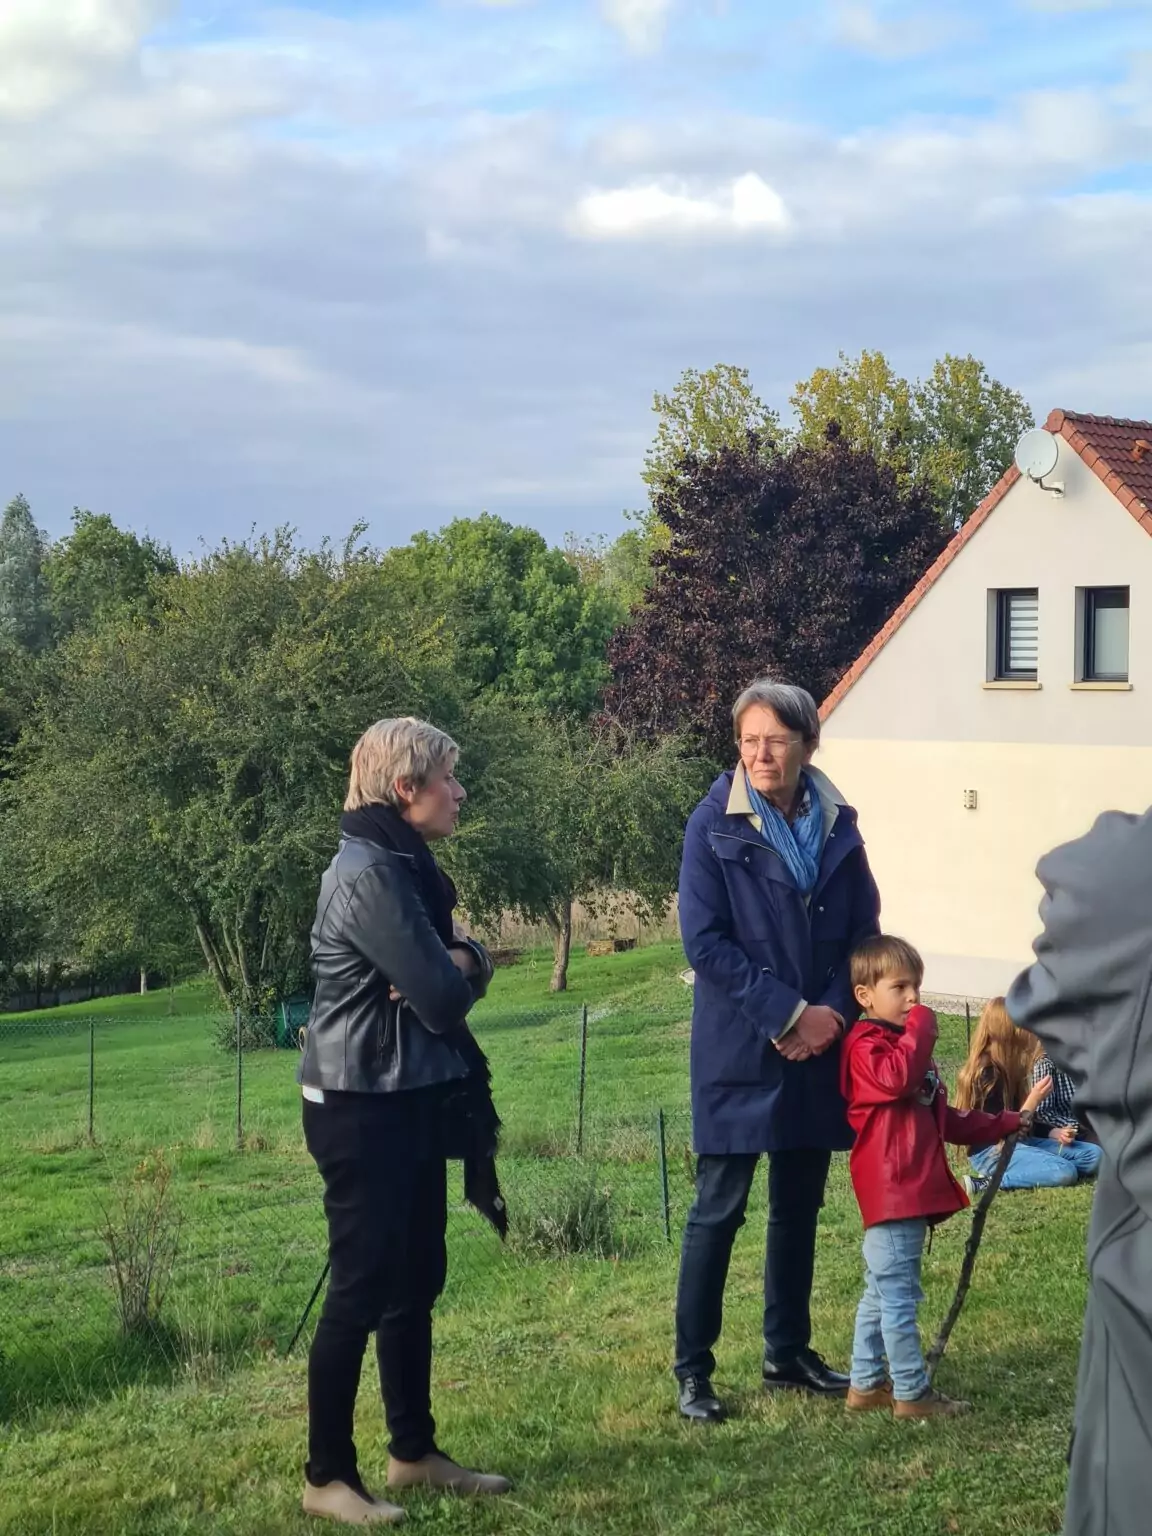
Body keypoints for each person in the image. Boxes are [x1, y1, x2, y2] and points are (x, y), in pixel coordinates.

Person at [296, 717, 511, 1527]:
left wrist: (463, 955)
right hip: (359, 1104)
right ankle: (327, 1477)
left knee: (416, 1277)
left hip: (410, 1092)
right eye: (448, 778)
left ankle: (412, 1453)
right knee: (361, 1286)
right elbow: (445, 998)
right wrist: (461, 962)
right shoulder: (369, 876)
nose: (460, 792)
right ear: (404, 789)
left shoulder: (404, 865)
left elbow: (449, 975)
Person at [674, 678, 881, 1423]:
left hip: (819, 1045)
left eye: (776, 740)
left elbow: (864, 932)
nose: (761, 754)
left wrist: (830, 1013)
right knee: (717, 1211)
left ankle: (786, 1353)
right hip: (739, 1048)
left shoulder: (839, 825)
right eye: (749, 741)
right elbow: (705, 943)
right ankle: (693, 1372)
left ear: (807, 745)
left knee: (797, 1206)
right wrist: (788, 1014)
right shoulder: (711, 826)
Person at [1008, 806, 1152, 1536]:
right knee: (1056, 1164)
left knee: (1080, 1163)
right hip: (1027, 1141)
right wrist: (1041, 1122)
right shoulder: (1034, 1072)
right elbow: (1014, 1118)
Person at [840, 936, 1047, 1419]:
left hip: (907, 1191)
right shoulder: (866, 1048)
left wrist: (1005, 1122)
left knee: (881, 1292)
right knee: (898, 1297)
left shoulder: (903, 1049)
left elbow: (947, 1119)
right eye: (900, 987)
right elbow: (896, 1080)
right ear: (864, 996)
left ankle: (865, 1384)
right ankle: (912, 1393)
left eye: (917, 986)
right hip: (893, 1191)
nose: (914, 998)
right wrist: (924, 1025)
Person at [954, 999, 1101, 1194]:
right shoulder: (986, 1074)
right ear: (1008, 1031)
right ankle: (987, 1183)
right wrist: (1034, 1099)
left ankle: (1037, 1168)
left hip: (1023, 1143)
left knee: (1094, 1155)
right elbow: (1001, 1130)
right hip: (992, 1151)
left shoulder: (1011, 1067)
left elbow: (1025, 1122)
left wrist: (1052, 1132)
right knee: (1064, 1171)